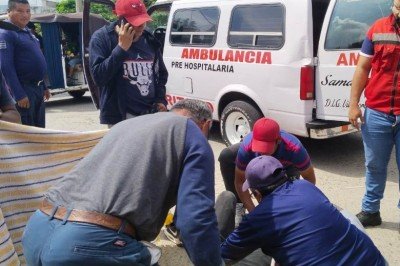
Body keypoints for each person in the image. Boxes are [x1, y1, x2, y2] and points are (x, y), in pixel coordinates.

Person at [22, 99, 223, 266]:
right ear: (206, 124)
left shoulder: (128, 125)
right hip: (88, 244)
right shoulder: (193, 133)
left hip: (36, 231)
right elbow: (195, 220)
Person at [219, 155, 386, 265]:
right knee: (342, 215)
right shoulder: (306, 186)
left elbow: (223, 255)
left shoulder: (258, 218)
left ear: (256, 193)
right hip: (376, 261)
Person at [348, 0, 400, 227]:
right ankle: (371, 211)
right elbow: (362, 68)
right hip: (377, 112)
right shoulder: (377, 29)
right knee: (374, 165)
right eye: (398, 7)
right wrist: (353, 104)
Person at [218, 117, 316, 225]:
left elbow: (310, 181)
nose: (262, 153)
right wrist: (254, 213)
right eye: (259, 148)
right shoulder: (247, 147)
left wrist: (298, 206)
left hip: (286, 168)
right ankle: (240, 206)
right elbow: (240, 181)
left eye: (266, 149)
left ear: (278, 141)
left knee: (283, 203)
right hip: (254, 163)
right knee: (226, 156)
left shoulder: (294, 148)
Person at [89, 0, 168, 127]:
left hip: (150, 113)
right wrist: (121, 49)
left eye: (143, 21)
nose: (141, 26)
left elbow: (161, 74)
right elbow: (98, 78)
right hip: (120, 117)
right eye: (135, 22)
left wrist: (160, 99)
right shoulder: (102, 38)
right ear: (119, 19)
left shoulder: (149, 39)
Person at [0, 0, 50, 128]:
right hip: (24, 89)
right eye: (20, 11)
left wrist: (44, 86)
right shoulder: (6, 34)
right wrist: (19, 95)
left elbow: (37, 61)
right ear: (8, 12)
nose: (25, 15)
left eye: (28, 11)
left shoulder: (28, 32)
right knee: (28, 132)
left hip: (37, 89)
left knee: (39, 130)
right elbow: (6, 67)